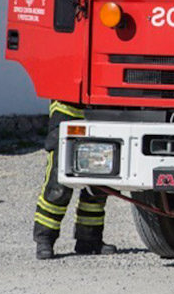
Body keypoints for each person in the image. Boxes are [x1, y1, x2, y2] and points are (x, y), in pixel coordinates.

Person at [33, 101, 117, 259]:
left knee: (99, 181)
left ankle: (89, 239)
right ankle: (44, 239)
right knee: (58, 186)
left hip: (101, 108)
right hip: (67, 109)